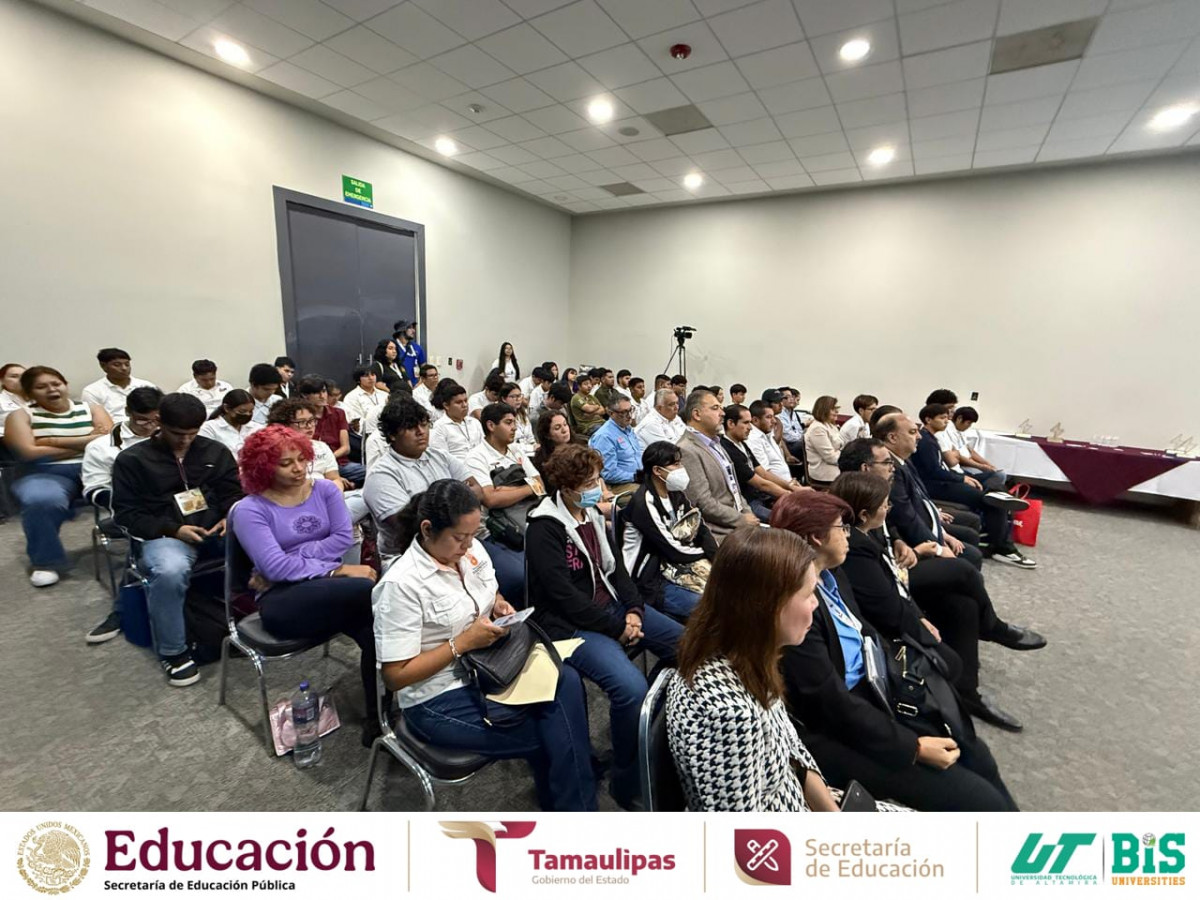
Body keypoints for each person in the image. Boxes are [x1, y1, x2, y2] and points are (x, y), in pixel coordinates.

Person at [771, 491, 1018, 811]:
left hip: (879, 689)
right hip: (844, 726)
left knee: (977, 753)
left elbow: (864, 631)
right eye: (841, 528)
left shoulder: (833, 574)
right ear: (816, 538)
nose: (848, 535)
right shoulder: (798, 611)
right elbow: (830, 702)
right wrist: (912, 747)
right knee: (981, 800)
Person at [373, 480, 597, 810]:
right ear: (427, 529)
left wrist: (499, 605)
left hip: (489, 665)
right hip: (436, 695)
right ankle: (575, 805)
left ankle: (567, 801)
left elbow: (488, 592)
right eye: (459, 538)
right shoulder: (401, 585)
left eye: (472, 535)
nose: (468, 546)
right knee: (554, 733)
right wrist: (461, 643)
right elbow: (395, 676)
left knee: (567, 682)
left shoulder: (472, 550)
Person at [840, 435, 1045, 731]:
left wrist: (899, 541)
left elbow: (891, 526)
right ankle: (993, 628)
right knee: (962, 570)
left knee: (962, 604)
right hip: (888, 582)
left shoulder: (878, 491)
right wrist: (925, 555)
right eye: (886, 463)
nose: (892, 467)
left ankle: (969, 695)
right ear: (865, 468)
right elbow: (879, 582)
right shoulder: (854, 501)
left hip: (897, 566)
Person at [527, 444, 684, 808]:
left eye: (597, 479)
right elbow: (564, 597)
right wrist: (617, 628)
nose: (597, 487)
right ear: (566, 488)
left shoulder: (591, 515)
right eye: (588, 483)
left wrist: (634, 610)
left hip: (611, 607)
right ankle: (628, 778)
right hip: (570, 625)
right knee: (630, 689)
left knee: (688, 646)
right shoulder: (544, 527)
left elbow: (617, 570)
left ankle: (654, 734)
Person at [667, 526, 841, 811]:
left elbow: (790, 745)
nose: (815, 603)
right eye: (809, 593)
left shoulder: (747, 656)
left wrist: (831, 811)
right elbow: (742, 835)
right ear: (768, 607)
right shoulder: (730, 716)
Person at [231, 425, 379, 741]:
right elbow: (274, 568)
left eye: (301, 459)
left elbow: (342, 538)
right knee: (370, 591)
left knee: (376, 629)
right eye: (285, 463)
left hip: (331, 594)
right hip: (281, 601)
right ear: (263, 467)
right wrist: (334, 571)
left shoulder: (325, 490)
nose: (298, 468)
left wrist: (294, 557)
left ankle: (378, 717)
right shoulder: (250, 509)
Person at [112, 394, 242, 685]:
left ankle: (259, 624)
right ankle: (174, 652)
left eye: (192, 434)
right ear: (159, 422)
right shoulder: (132, 460)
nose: (185, 441)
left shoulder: (215, 451)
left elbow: (233, 493)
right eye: (177, 434)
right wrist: (173, 530)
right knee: (170, 570)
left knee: (268, 542)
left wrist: (229, 516)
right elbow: (127, 515)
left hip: (217, 529)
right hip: (166, 535)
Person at [4, 366, 114, 586]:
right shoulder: (20, 415)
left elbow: (109, 440)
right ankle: (46, 562)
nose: (52, 390)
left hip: (95, 468)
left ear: (65, 385)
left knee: (143, 485)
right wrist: (87, 441)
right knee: (41, 501)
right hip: (45, 473)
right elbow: (28, 453)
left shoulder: (92, 409)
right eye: (41, 387)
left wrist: (50, 441)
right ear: (29, 392)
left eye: (56, 384)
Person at [912, 403, 1033, 569]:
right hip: (936, 486)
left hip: (944, 479)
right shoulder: (925, 441)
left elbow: (945, 465)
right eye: (942, 418)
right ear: (928, 419)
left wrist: (962, 476)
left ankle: (999, 499)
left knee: (994, 484)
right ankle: (1003, 548)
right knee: (991, 501)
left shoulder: (933, 438)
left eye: (947, 417)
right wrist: (961, 478)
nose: (946, 421)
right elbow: (934, 471)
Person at [363, 397, 478, 563]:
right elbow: (409, 526)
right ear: (392, 434)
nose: (421, 432)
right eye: (411, 427)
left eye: (424, 425)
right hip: (408, 556)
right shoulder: (380, 475)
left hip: (458, 544)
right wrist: (459, 498)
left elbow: (477, 491)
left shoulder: (440, 456)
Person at [622, 441, 716, 621]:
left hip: (677, 565)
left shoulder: (674, 492)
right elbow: (672, 549)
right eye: (676, 464)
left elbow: (699, 527)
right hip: (651, 578)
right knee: (712, 606)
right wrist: (706, 556)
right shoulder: (643, 502)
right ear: (657, 470)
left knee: (730, 587)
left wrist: (717, 556)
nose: (681, 469)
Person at [464, 402, 543, 602]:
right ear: (491, 426)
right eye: (508, 423)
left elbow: (540, 485)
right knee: (522, 575)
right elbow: (490, 499)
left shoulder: (516, 450)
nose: (514, 427)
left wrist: (505, 490)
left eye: (514, 422)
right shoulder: (476, 457)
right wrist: (527, 487)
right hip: (494, 531)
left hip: (527, 516)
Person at [677, 390, 757, 544]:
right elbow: (703, 503)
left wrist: (748, 513)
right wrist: (741, 519)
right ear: (697, 414)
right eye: (715, 408)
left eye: (721, 408)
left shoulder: (716, 443)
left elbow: (734, 488)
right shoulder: (687, 449)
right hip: (718, 532)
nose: (722, 413)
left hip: (739, 524)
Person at [82, 387, 163, 505]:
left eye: (156, 420)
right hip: (130, 506)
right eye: (142, 420)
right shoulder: (100, 447)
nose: (149, 426)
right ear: (127, 412)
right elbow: (94, 491)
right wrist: (129, 501)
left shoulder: (173, 438)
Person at [721, 403, 798, 521]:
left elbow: (763, 473)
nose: (750, 428)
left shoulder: (741, 444)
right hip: (748, 503)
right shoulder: (728, 449)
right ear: (731, 423)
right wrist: (791, 494)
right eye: (746, 423)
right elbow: (761, 484)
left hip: (759, 497)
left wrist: (791, 488)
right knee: (786, 520)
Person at [297, 375, 364, 486]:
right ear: (305, 395)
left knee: (367, 472)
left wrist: (329, 459)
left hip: (339, 463)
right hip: (313, 465)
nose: (322, 396)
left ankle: (342, 482)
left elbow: (345, 448)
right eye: (316, 393)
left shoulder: (338, 413)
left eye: (324, 391)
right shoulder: (301, 417)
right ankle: (343, 483)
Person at [80, 348, 157, 423]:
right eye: (117, 365)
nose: (124, 368)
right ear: (103, 366)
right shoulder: (92, 391)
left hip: (145, 425)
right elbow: (96, 420)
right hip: (112, 428)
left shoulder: (145, 386)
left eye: (127, 364)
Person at [588, 394, 643, 495]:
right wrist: (636, 476)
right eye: (624, 412)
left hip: (637, 478)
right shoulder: (604, 437)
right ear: (611, 413)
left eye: (630, 410)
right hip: (617, 485)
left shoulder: (628, 429)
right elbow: (609, 474)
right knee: (648, 494)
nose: (629, 415)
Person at [945, 404, 1006, 485]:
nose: (969, 426)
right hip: (961, 466)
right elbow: (958, 457)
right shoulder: (948, 430)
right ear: (959, 418)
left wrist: (988, 464)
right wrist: (980, 466)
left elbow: (970, 451)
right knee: (999, 476)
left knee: (1000, 473)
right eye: (968, 423)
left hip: (969, 464)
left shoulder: (960, 430)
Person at [747, 400, 801, 487]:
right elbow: (764, 475)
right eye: (769, 417)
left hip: (787, 484)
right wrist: (790, 486)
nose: (774, 421)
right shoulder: (753, 439)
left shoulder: (767, 433)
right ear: (755, 420)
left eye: (773, 417)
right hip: (777, 489)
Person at [198, 389, 262, 458]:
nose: (247, 414)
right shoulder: (209, 428)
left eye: (250, 411)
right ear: (227, 408)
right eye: (242, 411)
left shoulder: (258, 428)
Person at [430, 379, 484, 460]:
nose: (465, 405)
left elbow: (484, 448)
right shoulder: (440, 426)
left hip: (480, 463)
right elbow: (441, 458)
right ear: (446, 406)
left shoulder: (475, 422)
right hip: (458, 466)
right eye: (459, 402)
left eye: (465, 401)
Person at [804, 395, 845, 488]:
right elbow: (831, 458)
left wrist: (838, 451)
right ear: (824, 410)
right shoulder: (817, 429)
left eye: (837, 409)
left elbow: (840, 446)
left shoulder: (830, 425)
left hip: (835, 468)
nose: (837, 412)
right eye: (833, 409)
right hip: (825, 474)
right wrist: (843, 454)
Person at [342, 365, 387, 436]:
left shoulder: (384, 395)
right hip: (365, 435)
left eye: (373, 374)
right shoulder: (351, 397)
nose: (371, 378)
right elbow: (356, 422)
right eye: (366, 376)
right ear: (358, 379)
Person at [569, 370, 606, 436]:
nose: (589, 386)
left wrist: (592, 412)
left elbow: (603, 411)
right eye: (586, 384)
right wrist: (597, 406)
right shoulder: (576, 397)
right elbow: (589, 409)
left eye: (590, 384)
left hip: (601, 422)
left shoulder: (591, 397)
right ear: (579, 386)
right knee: (605, 432)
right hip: (588, 426)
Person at [500, 382, 535, 449]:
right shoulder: (500, 417)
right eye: (513, 397)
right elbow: (509, 444)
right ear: (504, 399)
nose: (518, 399)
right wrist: (530, 447)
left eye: (519, 396)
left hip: (529, 450)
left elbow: (531, 438)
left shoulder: (523, 414)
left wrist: (535, 446)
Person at [0, 362, 27, 440]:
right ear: (2, 380)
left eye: (24, 376)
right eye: (14, 376)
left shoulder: (37, 400)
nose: (21, 380)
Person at [778, 386, 806, 457]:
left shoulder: (792, 412)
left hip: (797, 441)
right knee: (809, 443)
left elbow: (798, 429)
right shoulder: (779, 414)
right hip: (788, 445)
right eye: (787, 397)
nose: (791, 399)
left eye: (791, 396)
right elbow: (787, 436)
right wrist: (803, 438)